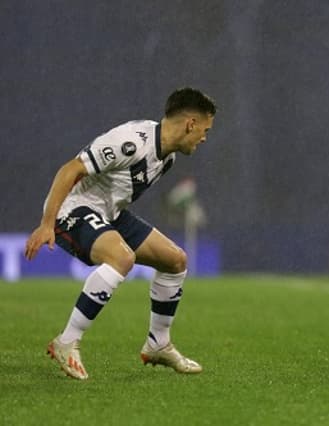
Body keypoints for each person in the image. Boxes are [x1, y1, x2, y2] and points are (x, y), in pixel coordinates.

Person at [24, 87, 216, 380]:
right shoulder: (131, 143)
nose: (204, 137)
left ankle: (158, 344)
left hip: (109, 214)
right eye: (205, 129)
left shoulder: (167, 158)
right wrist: (47, 223)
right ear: (190, 123)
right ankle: (66, 341)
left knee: (175, 260)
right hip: (72, 209)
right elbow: (70, 170)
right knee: (121, 257)